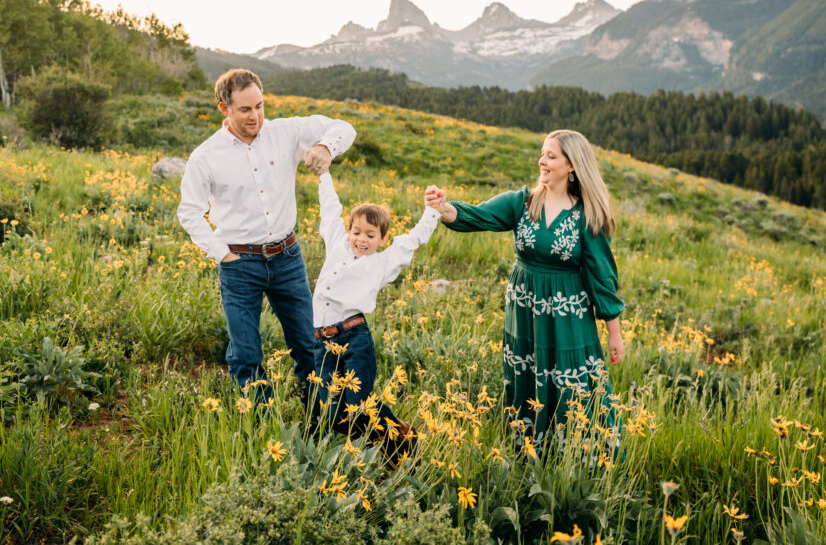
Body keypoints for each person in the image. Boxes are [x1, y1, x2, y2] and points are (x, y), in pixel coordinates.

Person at [426, 129, 624, 449]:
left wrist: (614, 333)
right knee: (527, 377)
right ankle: (529, 451)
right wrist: (442, 207)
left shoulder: (588, 214)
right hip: (525, 309)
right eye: (542, 154)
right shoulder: (522, 202)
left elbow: (603, 277)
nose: (541, 161)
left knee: (571, 381)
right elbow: (477, 216)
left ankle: (579, 455)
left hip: (567, 314)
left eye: (551, 156)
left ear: (572, 165)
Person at [177, 69, 356, 402]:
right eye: (245, 109)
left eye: (259, 106)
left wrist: (325, 147)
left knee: (308, 341)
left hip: (287, 257)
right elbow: (189, 211)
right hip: (239, 263)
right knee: (246, 353)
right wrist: (223, 255)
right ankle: (259, 426)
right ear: (223, 108)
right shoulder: (205, 157)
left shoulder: (284, 131)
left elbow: (343, 127)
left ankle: (316, 416)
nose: (255, 115)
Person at [310, 164, 441, 457]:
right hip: (321, 341)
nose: (361, 240)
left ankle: (401, 442)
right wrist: (324, 175)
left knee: (357, 402)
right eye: (357, 232)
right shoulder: (337, 245)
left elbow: (414, 239)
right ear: (349, 231)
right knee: (330, 410)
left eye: (370, 235)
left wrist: (432, 210)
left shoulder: (382, 262)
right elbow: (329, 210)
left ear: (382, 240)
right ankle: (369, 446)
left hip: (354, 338)